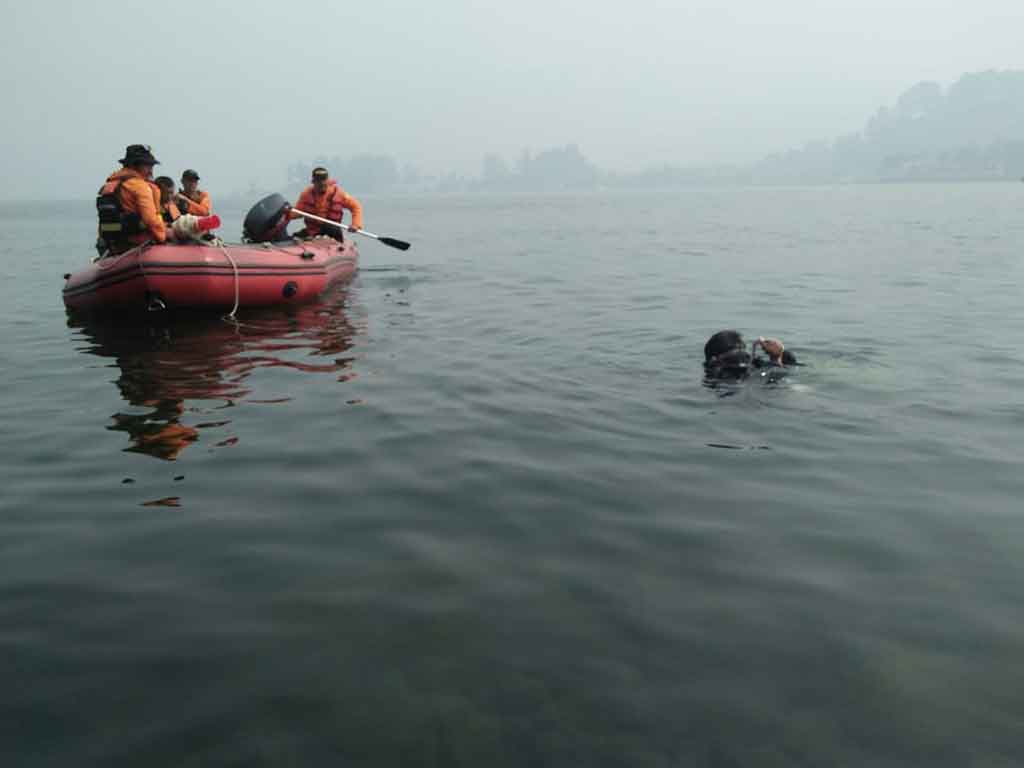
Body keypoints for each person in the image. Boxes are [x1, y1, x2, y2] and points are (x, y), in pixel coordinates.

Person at [96, 144, 166, 254]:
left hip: (115, 244)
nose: (151, 170)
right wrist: (163, 235)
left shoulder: (110, 185)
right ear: (135, 165)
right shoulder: (140, 186)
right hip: (138, 242)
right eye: (148, 165)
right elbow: (151, 220)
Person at [287, 166, 363, 240]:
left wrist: (355, 224)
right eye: (318, 181)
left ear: (328, 180)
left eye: (324, 180)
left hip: (332, 232)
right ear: (313, 182)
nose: (322, 183)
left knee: (330, 228)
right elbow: (296, 212)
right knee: (293, 238)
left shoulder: (338, 194)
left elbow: (355, 207)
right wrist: (286, 213)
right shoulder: (306, 194)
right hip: (313, 231)